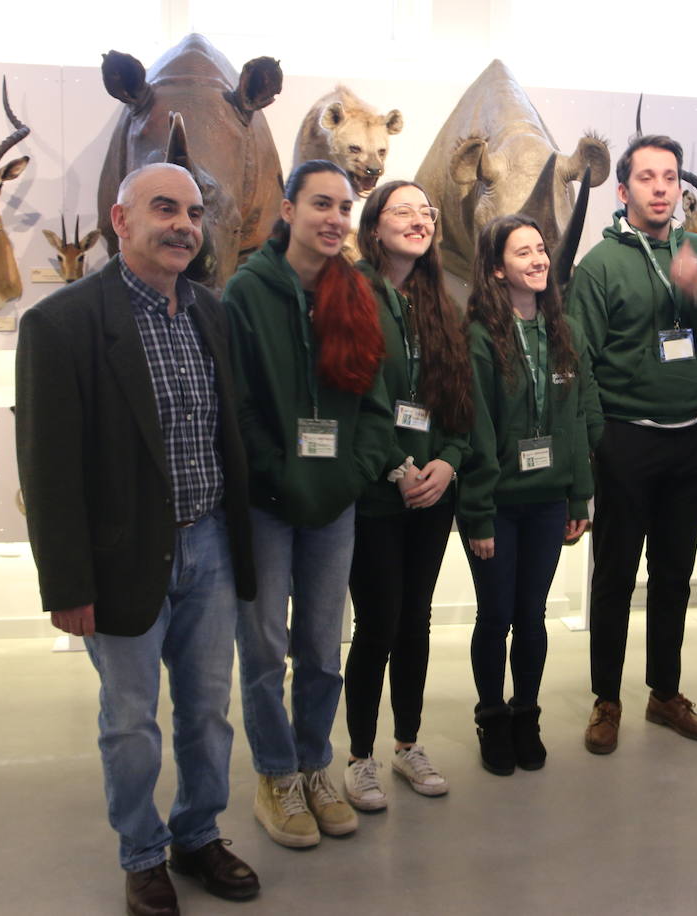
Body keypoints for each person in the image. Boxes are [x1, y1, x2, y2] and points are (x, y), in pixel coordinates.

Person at [15, 162, 260, 916]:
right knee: (129, 720)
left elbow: (230, 438)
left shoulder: (212, 313)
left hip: (211, 547)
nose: (184, 225)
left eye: (194, 211)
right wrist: (67, 585)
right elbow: (48, 468)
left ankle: (197, 833)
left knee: (209, 710)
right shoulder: (61, 325)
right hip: (122, 555)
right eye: (164, 208)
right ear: (120, 221)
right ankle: (142, 853)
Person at [225, 160, 390, 846]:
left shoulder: (357, 291)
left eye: (344, 208)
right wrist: (276, 473)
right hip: (267, 503)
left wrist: (353, 474)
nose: (334, 219)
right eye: (321, 203)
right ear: (287, 209)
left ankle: (315, 765)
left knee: (323, 646)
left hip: (334, 504)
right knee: (263, 648)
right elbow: (236, 406)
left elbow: (378, 404)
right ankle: (275, 776)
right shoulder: (246, 293)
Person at [566, 134, 697, 754]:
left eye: (670, 177)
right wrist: (593, 445)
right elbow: (579, 363)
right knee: (614, 576)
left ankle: (665, 692)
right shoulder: (599, 266)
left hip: (691, 438)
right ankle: (606, 699)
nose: (661, 188)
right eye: (647, 178)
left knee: (675, 575)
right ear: (624, 191)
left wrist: (695, 292)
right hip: (626, 440)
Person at [342, 180, 478, 810]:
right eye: (403, 211)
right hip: (376, 493)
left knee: (415, 620)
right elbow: (353, 396)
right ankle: (361, 756)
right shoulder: (352, 294)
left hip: (433, 495)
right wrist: (398, 468)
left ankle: (407, 744)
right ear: (374, 226)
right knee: (376, 622)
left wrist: (447, 464)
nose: (419, 220)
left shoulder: (442, 303)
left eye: (426, 213)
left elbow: (457, 403)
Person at [461, 214, 599, 774]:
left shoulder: (564, 330)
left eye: (541, 250)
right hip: (497, 505)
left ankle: (527, 714)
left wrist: (580, 499)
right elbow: (476, 429)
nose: (539, 260)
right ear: (497, 269)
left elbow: (581, 417)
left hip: (548, 502)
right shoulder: (478, 336)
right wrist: (478, 515)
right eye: (524, 253)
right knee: (495, 616)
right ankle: (492, 718)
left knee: (533, 615)